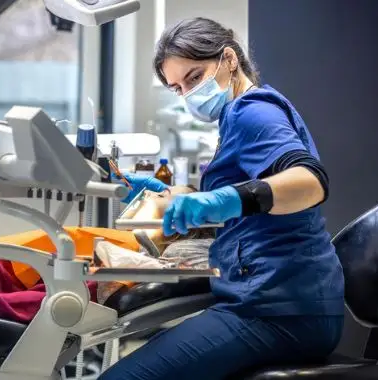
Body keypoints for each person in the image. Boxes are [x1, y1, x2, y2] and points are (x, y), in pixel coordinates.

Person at [100, 17, 345, 380]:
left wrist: (222, 201)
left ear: (229, 59)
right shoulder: (235, 115)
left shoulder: (252, 111)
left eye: (194, 77)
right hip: (275, 300)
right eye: (178, 88)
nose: (187, 94)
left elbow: (310, 183)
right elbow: (253, 198)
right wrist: (175, 194)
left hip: (279, 310)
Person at [0, 185, 215, 322]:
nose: (151, 194)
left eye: (163, 195)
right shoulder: (127, 241)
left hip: (12, 273)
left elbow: (205, 262)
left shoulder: (134, 257)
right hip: (1, 263)